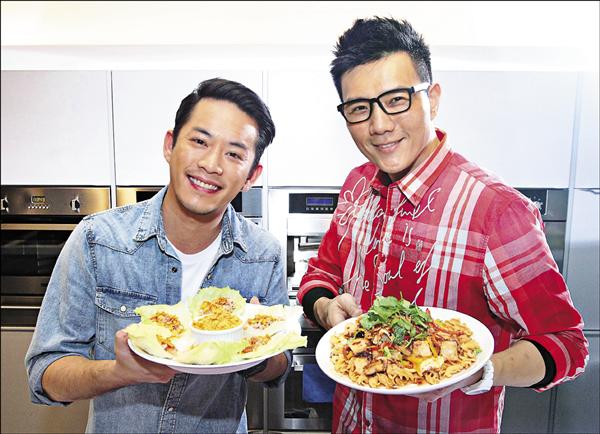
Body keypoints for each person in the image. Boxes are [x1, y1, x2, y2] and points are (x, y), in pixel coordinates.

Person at [298, 17, 589, 433]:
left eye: (396, 99)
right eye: (359, 108)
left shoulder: (497, 211)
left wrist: (480, 371)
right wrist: (325, 307)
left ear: (431, 100)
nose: (378, 125)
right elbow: (321, 274)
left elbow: (566, 343)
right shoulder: (357, 185)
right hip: (351, 421)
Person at [25, 78, 290, 433]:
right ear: (170, 145)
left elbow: (279, 367)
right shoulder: (97, 240)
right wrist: (118, 372)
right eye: (199, 141)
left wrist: (253, 348)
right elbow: (46, 374)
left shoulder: (264, 255)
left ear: (251, 176)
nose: (212, 164)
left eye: (234, 154)